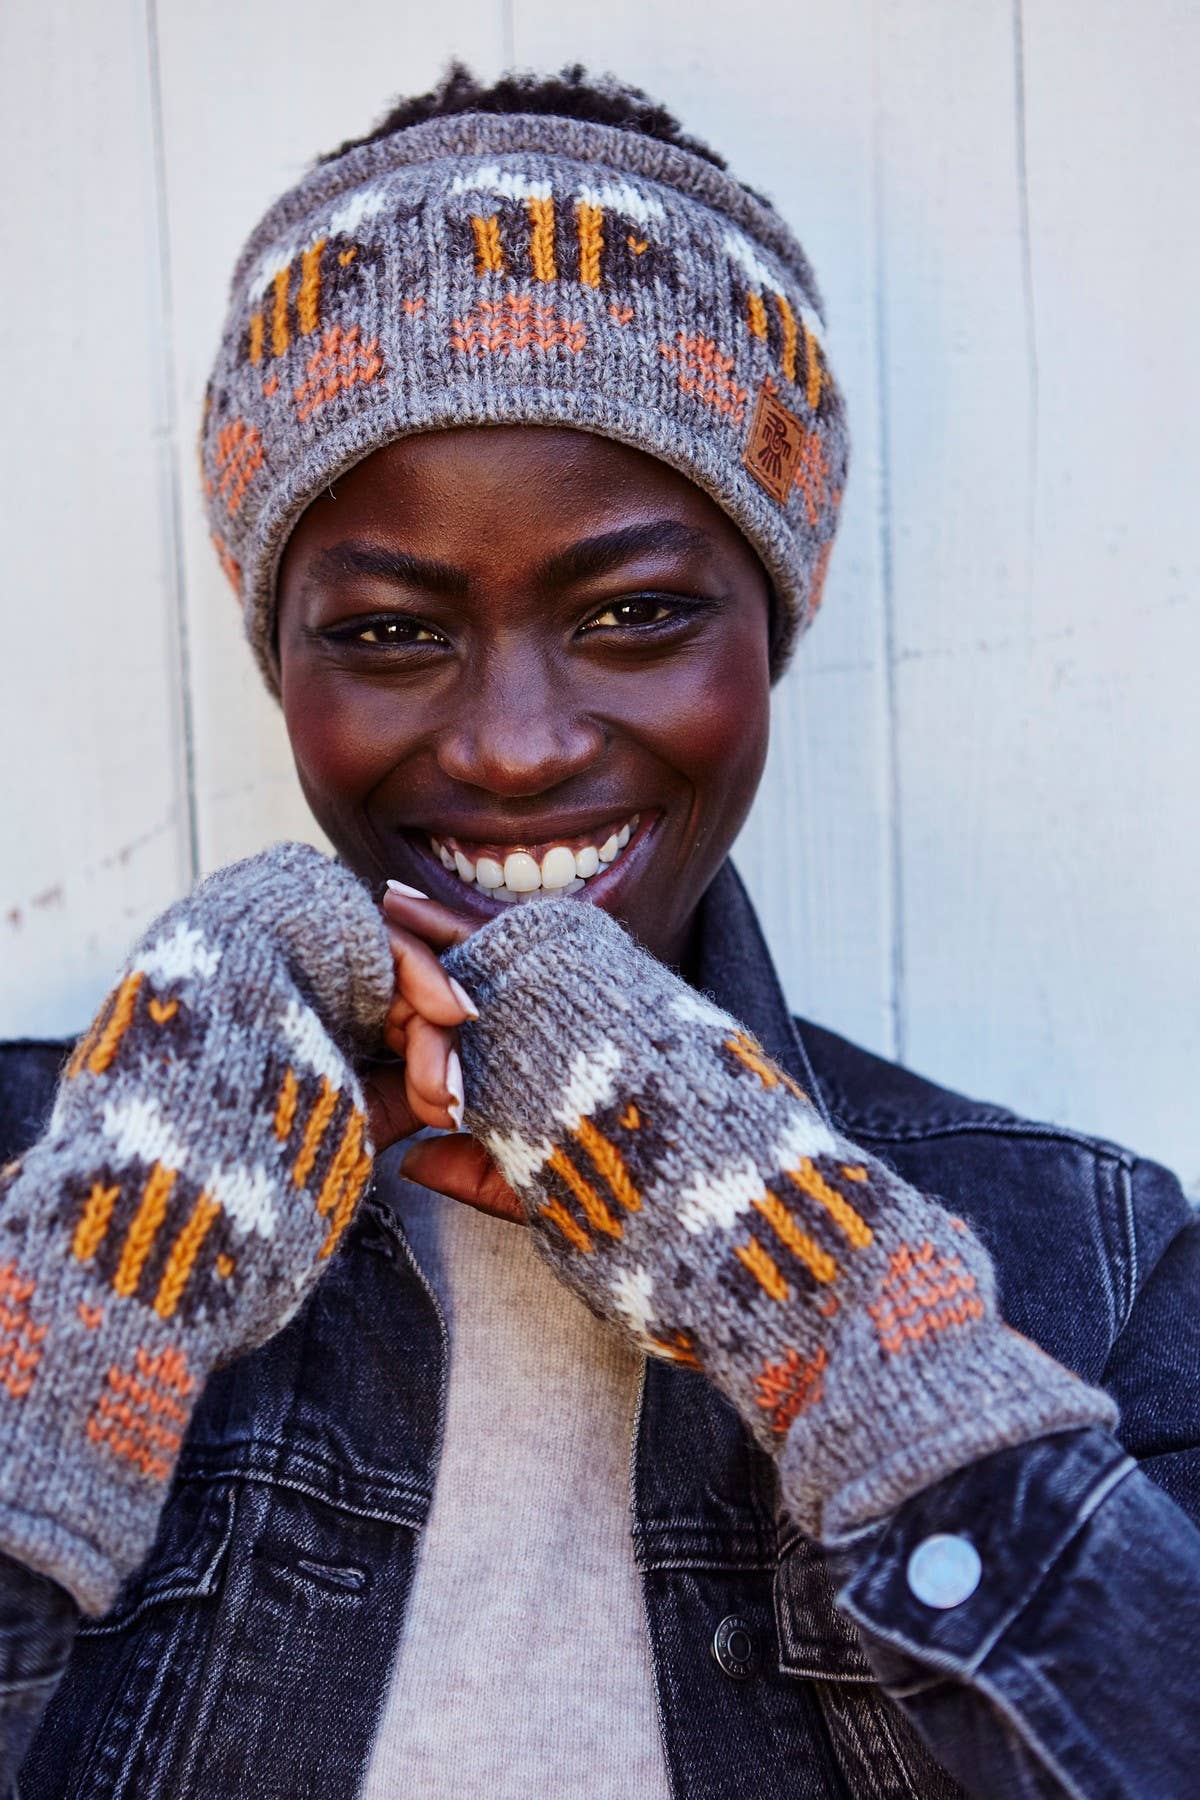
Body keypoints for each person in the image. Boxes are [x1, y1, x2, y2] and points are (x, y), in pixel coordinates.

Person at [0, 64, 1196, 1799]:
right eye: (395, 633)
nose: (512, 744)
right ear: (283, 663)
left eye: (634, 614)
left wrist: (850, 1330)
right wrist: (74, 1348)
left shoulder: (1082, 1261)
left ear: (764, 634)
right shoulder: (31, 1193)